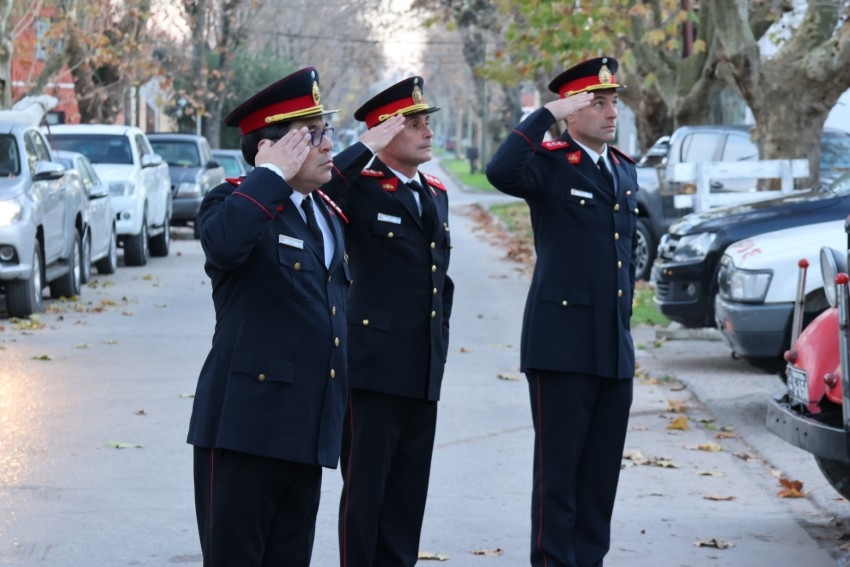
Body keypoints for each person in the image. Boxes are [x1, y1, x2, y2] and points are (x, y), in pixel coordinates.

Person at [186, 66, 350, 567]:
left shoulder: (324, 213)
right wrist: (269, 174)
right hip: (245, 430)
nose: (328, 145)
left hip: (305, 429)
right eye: (314, 135)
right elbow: (224, 244)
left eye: (327, 132)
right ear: (273, 148)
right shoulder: (234, 202)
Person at [485, 56, 638, 567]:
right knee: (559, 477)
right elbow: (500, 169)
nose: (610, 112)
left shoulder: (622, 170)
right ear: (571, 113)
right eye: (597, 103)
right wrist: (544, 114)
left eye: (613, 101)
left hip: (612, 345)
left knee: (599, 478)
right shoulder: (549, 164)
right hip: (561, 346)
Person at [322, 76, 454, 567]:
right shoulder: (359, 189)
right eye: (413, 124)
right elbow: (325, 189)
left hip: (422, 370)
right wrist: (363, 148)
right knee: (365, 498)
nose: (426, 132)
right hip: (371, 370)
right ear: (383, 134)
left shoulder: (435, 193)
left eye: (426, 122)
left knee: (406, 499)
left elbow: (440, 280)